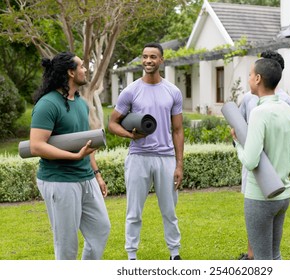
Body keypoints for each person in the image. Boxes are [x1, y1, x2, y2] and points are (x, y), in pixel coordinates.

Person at [29, 51, 111, 260]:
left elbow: (86, 143)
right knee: (66, 245)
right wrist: (73, 156)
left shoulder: (81, 103)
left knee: (101, 230)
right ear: (70, 72)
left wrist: (97, 174)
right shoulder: (48, 104)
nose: (86, 70)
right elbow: (36, 145)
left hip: (86, 178)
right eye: (82, 66)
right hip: (60, 181)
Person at [108, 43, 184, 260]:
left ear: (161, 60)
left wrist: (179, 164)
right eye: (144, 57)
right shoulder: (130, 91)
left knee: (169, 211)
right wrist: (130, 135)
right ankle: (131, 255)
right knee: (133, 212)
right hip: (138, 158)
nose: (148, 61)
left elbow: (178, 130)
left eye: (153, 57)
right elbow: (112, 123)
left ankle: (174, 254)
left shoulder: (173, 91)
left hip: (166, 158)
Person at [231, 58, 290, 260]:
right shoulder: (286, 109)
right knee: (274, 256)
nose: (249, 78)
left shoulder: (259, 112)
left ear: (258, 78)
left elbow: (250, 161)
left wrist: (238, 143)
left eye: (250, 75)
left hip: (261, 197)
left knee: (261, 261)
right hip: (283, 195)